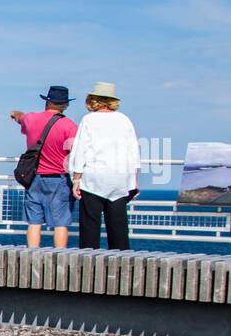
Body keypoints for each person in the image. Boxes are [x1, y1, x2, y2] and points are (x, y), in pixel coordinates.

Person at [68, 82, 140, 250]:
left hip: (94, 177)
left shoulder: (88, 120)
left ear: (93, 100)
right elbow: (133, 153)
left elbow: (80, 151)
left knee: (90, 225)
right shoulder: (124, 120)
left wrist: (76, 180)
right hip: (120, 178)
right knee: (118, 226)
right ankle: (122, 265)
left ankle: (88, 265)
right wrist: (134, 182)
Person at [9, 85, 78, 249]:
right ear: (65, 105)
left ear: (47, 102)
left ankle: (32, 255)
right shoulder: (69, 126)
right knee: (61, 223)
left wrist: (15, 114)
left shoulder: (31, 119)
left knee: (34, 222)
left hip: (33, 177)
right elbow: (74, 151)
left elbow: (21, 118)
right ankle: (60, 257)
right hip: (58, 178)